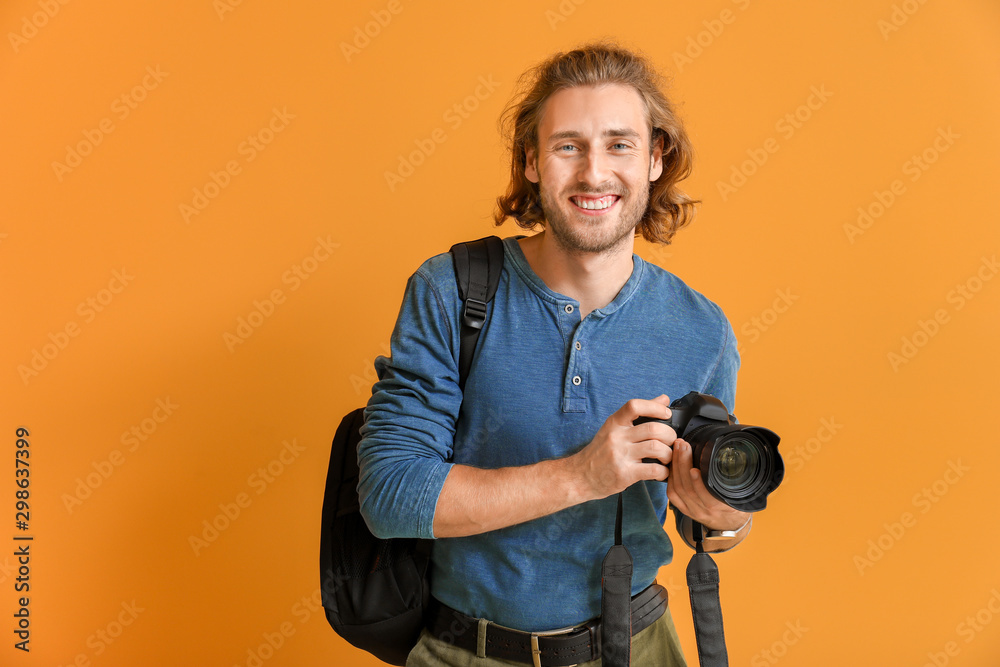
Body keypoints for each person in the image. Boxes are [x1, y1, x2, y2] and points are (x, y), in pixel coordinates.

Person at [357, 42, 752, 666]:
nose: (594, 173)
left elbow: (710, 516)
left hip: (639, 649)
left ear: (655, 158)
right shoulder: (452, 290)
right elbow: (390, 494)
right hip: (468, 650)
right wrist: (580, 476)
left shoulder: (702, 329)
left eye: (619, 144)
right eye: (569, 145)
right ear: (533, 162)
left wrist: (723, 518)